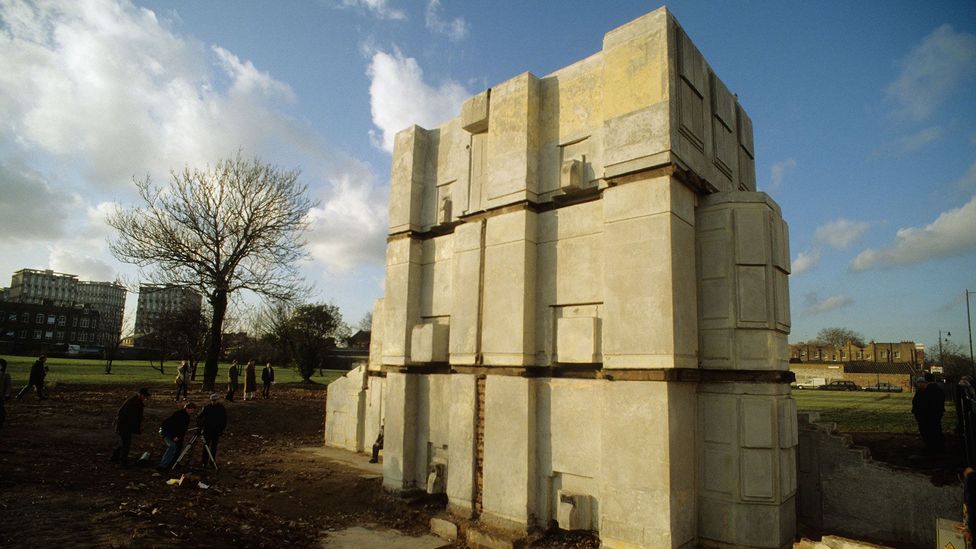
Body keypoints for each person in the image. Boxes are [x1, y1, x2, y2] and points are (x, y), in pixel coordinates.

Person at [112, 388, 151, 466]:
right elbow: (131, 416)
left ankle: (114, 457)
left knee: (124, 442)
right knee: (126, 443)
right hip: (125, 425)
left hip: (124, 425)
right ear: (140, 394)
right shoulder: (135, 402)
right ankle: (123, 462)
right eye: (144, 396)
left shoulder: (134, 401)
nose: (145, 398)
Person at [158, 401, 197, 471]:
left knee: (178, 448)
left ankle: (173, 464)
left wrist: (179, 437)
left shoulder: (186, 416)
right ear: (188, 408)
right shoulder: (179, 414)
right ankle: (163, 465)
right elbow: (172, 426)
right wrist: (174, 436)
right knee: (172, 446)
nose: (193, 412)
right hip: (166, 432)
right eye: (192, 410)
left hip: (175, 434)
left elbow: (182, 430)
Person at [912, 372, 946, 454]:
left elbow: (922, 403)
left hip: (927, 415)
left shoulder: (927, 391)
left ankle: (932, 448)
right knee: (936, 429)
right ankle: (937, 447)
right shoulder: (939, 389)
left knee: (929, 431)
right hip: (935, 413)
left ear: (926, 381)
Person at [197, 393, 227, 465]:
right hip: (207, 429)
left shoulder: (221, 408)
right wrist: (201, 426)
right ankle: (204, 461)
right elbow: (199, 417)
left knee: (214, 447)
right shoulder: (207, 407)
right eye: (212, 400)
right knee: (206, 446)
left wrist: (221, 429)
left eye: (215, 400)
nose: (213, 402)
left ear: (218, 400)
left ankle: (212, 462)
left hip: (216, 430)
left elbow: (224, 420)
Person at [0, 358, 10, 430]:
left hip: (0, 396)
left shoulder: (5, 375)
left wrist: (7, 394)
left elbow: (8, 385)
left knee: (1, 411)